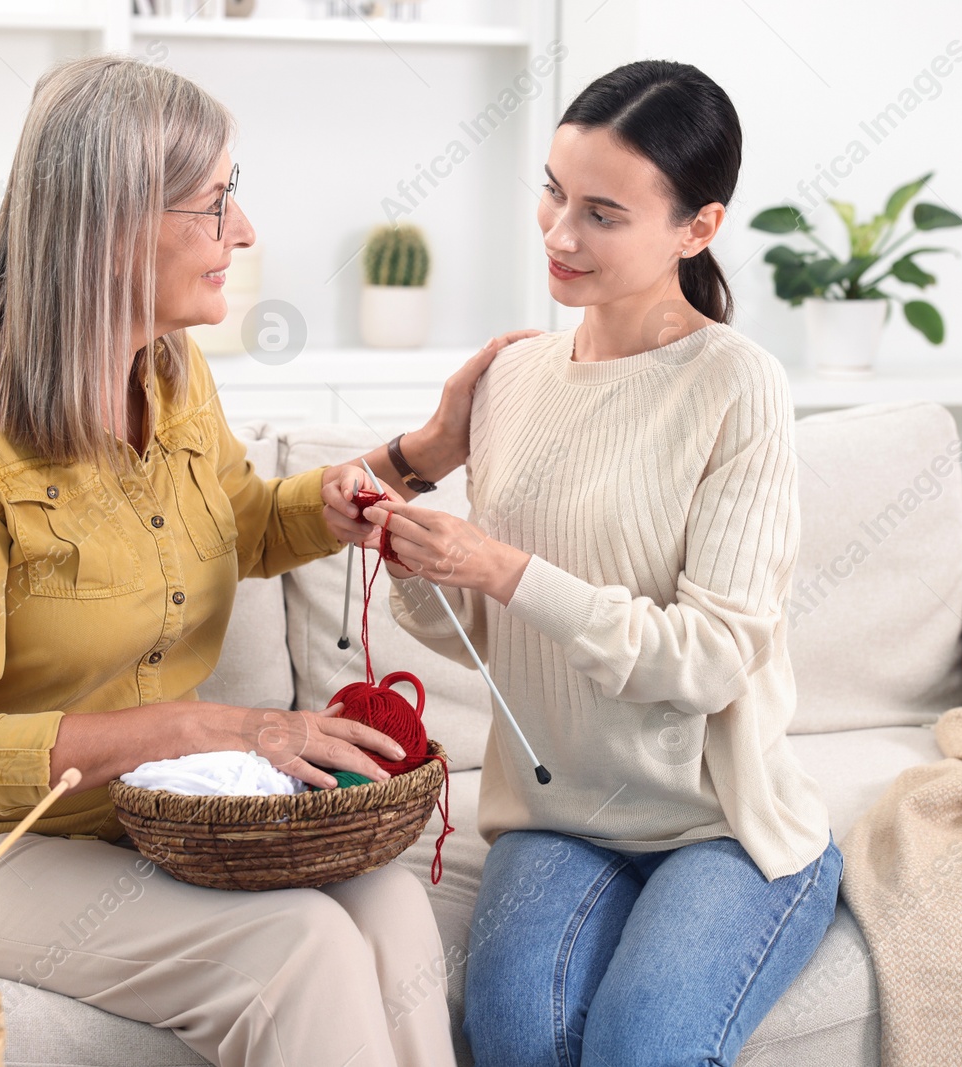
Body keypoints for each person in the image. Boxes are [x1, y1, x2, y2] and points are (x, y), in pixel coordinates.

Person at [0, 53, 532, 1067]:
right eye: (213, 204)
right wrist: (217, 726)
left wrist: (414, 456)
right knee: (292, 946)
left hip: (143, 824)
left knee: (379, 887)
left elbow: (240, 526)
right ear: (112, 224)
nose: (242, 232)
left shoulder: (168, 369)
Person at [362, 60, 843, 1066]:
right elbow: (487, 639)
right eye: (552, 191)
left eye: (602, 213)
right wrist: (404, 527)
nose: (558, 234)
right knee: (517, 1038)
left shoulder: (734, 384)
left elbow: (712, 657)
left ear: (696, 228)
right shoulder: (509, 377)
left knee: (639, 1045)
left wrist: (503, 567)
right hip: (555, 811)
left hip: (721, 823)